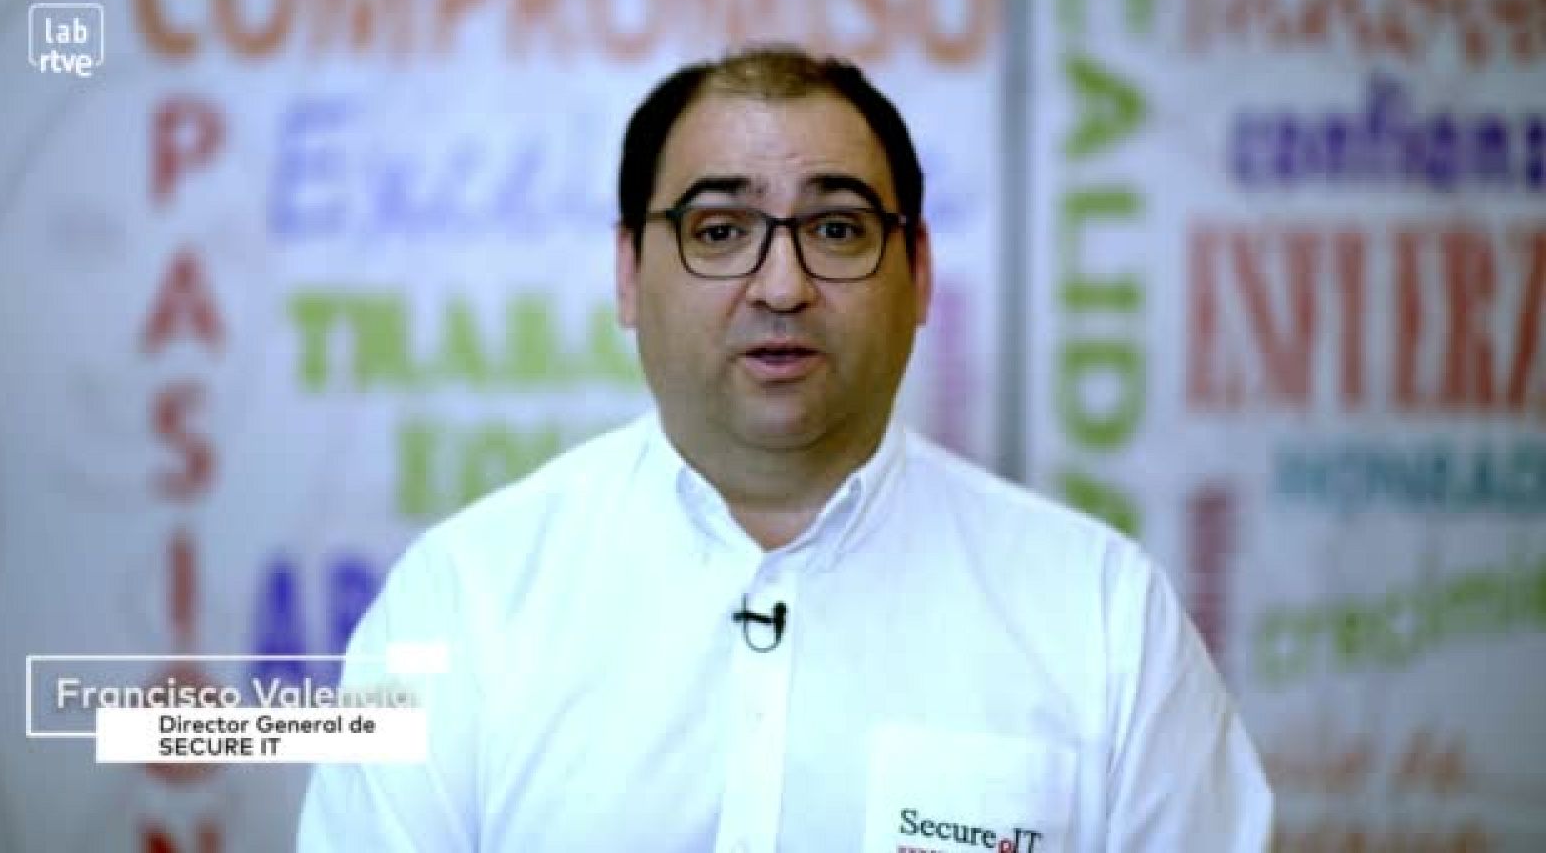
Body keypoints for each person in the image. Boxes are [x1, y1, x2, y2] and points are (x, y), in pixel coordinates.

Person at [297, 44, 1272, 852]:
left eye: (837, 229)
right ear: (629, 273)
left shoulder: (1102, 618)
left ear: (919, 272)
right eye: (720, 230)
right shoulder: (461, 602)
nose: (780, 286)